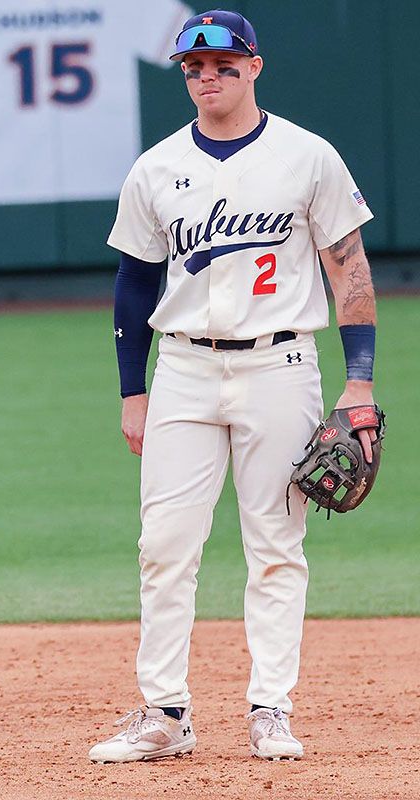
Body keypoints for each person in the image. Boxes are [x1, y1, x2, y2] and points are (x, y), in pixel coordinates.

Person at [90, 9, 379, 764]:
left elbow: (348, 266)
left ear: (254, 67)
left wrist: (359, 381)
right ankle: (165, 712)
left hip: (281, 366)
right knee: (164, 544)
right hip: (183, 369)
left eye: (223, 64)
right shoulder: (155, 168)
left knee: (276, 543)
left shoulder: (308, 156)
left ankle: (271, 709)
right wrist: (131, 390)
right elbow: (133, 282)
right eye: (194, 67)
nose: (207, 77)